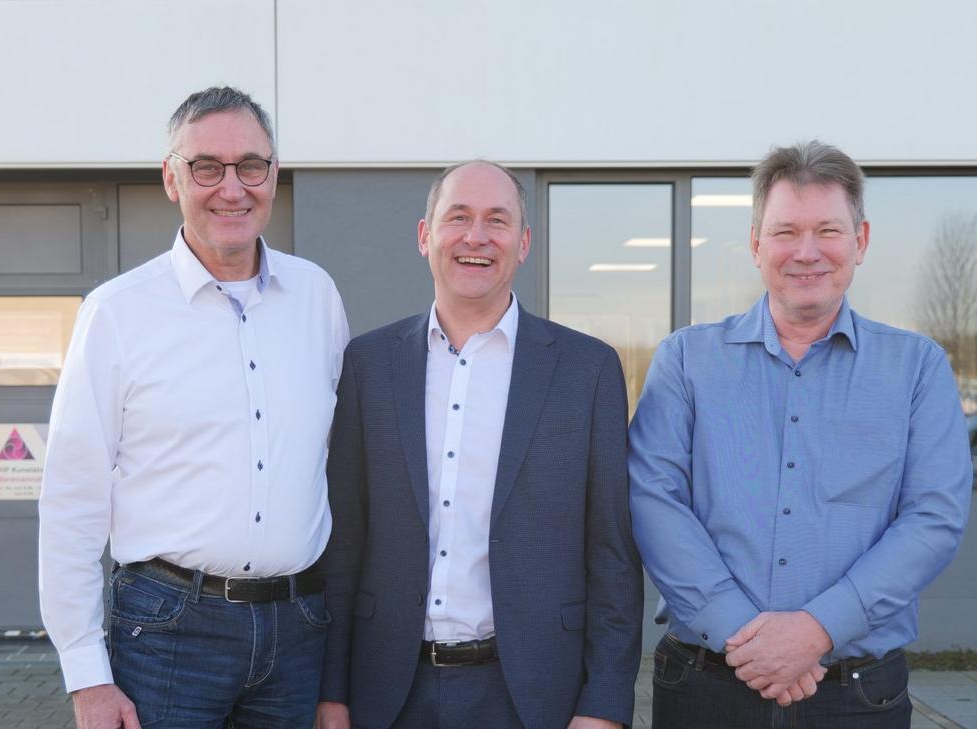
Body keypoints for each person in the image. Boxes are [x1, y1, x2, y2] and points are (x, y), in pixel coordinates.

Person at [628, 140, 972, 728]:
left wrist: (816, 629)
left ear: (860, 240)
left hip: (856, 698)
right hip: (705, 686)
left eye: (827, 231)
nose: (806, 252)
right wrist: (743, 633)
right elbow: (651, 498)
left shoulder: (917, 368)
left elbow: (933, 516)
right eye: (785, 231)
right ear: (756, 244)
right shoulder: (686, 360)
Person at [38, 86, 349, 729]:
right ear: (170, 178)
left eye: (250, 166)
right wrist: (87, 677)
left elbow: (335, 468)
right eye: (206, 167)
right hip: (168, 631)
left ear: (274, 175)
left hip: (298, 630)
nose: (232, 188)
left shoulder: (316, 297)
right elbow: (72, 500)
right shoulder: (116, 313)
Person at [316, 160, 643, 729]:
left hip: (533, 696)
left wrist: (605, 705)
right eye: (458, 217)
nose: (476, 237)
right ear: (425, 236)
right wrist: (332, 691)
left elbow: (613, 551)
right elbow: (343, 541)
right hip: (388, 693)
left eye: (497, 220)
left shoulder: (585, 370)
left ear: (524, 243)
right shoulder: (369, 365)